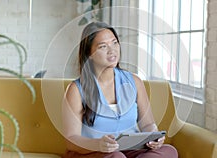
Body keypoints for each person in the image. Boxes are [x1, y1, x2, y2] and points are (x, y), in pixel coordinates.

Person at [62, 21, 178, 158]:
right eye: (103, 46)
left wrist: (154, 137)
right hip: (94, 153)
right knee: (116, 157)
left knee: (169, 151)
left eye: (115, 43)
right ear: (90, 54)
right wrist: (98, 144)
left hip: (130, 150)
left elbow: (148, 124)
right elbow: (71, 139)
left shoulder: (134, 82)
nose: (112, 50)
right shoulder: (76, 89)